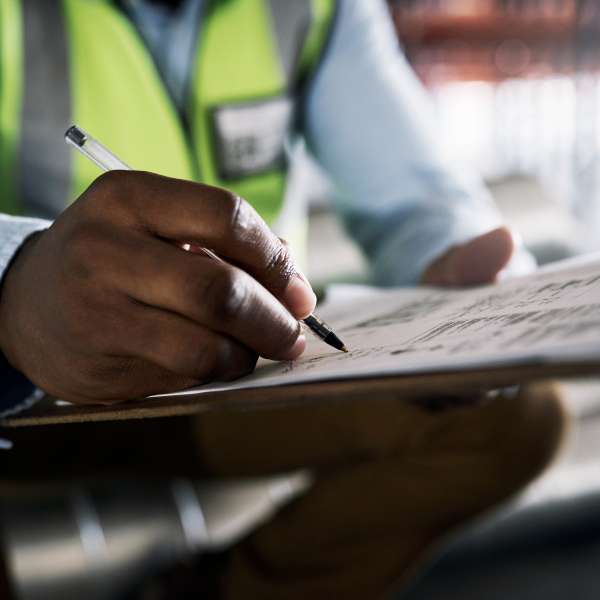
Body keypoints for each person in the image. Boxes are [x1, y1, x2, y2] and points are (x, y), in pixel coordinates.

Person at [0, 1, 566, 598]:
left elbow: (411, 195)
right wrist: (13, 284)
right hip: (31, 393)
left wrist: (452, 256)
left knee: (510, 415)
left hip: (236, 375)